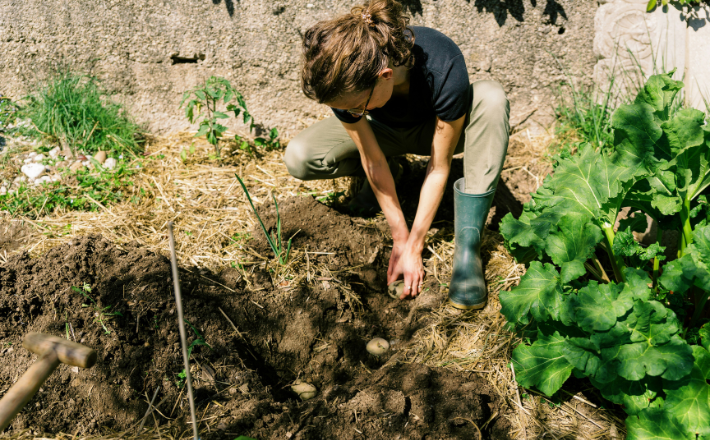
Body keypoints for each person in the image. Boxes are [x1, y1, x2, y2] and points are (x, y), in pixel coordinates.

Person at [284, 0, 509, 310]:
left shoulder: (441, 63)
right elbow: (372, 158)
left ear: (385, 75)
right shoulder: (344, 78)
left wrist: (416, 245)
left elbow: (439, 167)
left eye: (356, 107)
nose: (350, 113)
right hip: (383, 135)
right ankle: (397, 168)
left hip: (437, 134)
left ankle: (468, 247)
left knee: (491, 97)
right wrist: (400, 236)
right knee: (299, 156)